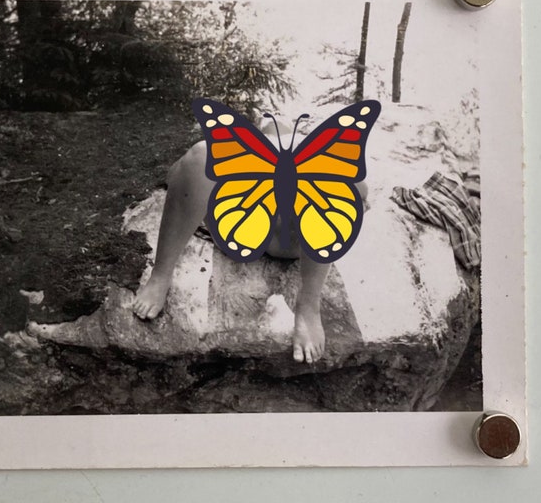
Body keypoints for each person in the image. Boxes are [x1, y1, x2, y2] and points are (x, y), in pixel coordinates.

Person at [131, 118, 367, 364]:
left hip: (293, 240)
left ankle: (308, 307)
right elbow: (184, 172)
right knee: (201, 155)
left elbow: (356, 192)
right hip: (240, 230)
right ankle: (161, 274)